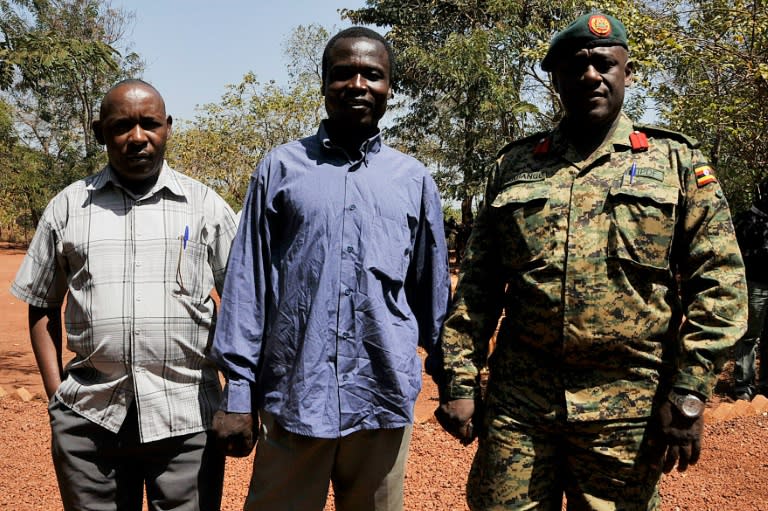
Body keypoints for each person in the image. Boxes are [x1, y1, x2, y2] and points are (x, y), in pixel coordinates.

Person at [434, 12, 747, 511]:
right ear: (554, 80)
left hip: (628, 407)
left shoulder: (676, 163)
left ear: (628, 72)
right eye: (576, 66)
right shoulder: (515, 167)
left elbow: (721, 284)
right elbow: (477, 287)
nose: (591, 75)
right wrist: (458, 378)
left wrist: (689, 393)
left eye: (605, 63)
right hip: (521, 404)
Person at [210, 27, 450, 511]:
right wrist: (238, 392)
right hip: (297, 396)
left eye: (372, 75)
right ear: (324, 83)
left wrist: (455, 385)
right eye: (344, 74)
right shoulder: (280, 169)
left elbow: (432, 293)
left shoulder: (414, 180)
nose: (358, 84)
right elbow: (248, 285)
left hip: (380, 399)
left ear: (389, 88)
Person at [10, 79, 238, 511]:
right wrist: (56, 394)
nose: (137, 138)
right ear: (100, 132)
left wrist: (240, 395)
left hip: (188, 418)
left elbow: (244, 306)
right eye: (121, 127)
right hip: (90, 420)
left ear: (167, 127)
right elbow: (41, 304)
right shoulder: (68, 208)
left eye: (149, 124)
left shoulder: (206, 207)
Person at [733, 179, 768, 401]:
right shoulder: (745, 220)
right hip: (754, 286)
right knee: (749, 337)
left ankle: (765, 386)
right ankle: (743, 387)